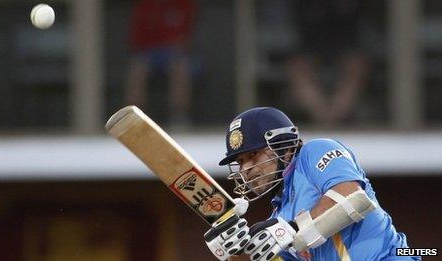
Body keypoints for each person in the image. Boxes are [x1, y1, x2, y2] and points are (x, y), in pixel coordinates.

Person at [204, 107, 419, 260]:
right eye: (240, 162)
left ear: (284, 147)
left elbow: (353, 198)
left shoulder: (314, 153)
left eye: (253, 155)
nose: (246, 169)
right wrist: (236, 251)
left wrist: (293, 229)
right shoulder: (278, 218)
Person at [286, 0, 369, 126]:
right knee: (297, 68)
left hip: (346, 46)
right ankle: (322, 117)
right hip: (310, 47)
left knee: (356, 65)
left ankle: (335, 116)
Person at [126, 0, 195, 127]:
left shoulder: (183, 3)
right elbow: (136, 37)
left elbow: (187, 34)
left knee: (180, 68)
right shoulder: (144, 5)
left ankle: (179, 116)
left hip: (174, 52)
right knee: (137, 69)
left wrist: (178, 47)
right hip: (148, 52)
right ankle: (134, 118)